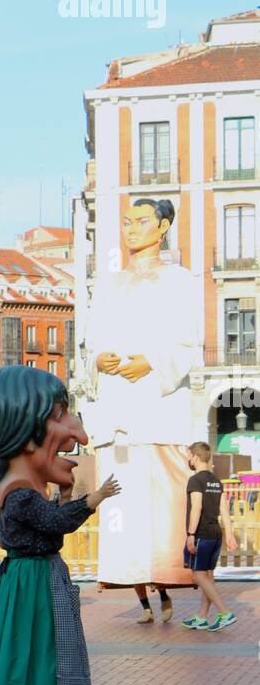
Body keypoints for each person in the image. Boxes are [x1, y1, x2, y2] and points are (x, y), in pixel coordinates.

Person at [0, 365, 120, 685]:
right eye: (58, 415)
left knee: (41, 653)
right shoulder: (20, 494)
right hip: (31, 579)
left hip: (34, 576)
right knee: (38, 652)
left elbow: (52, 525)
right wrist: (93, 498)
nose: (80, 435)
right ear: (22, 432)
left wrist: (70, 494)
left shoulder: (21, 493)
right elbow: (55, 523)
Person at [78, 197, 202, 619]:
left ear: (163, 226)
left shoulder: (180, 280)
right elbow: (91, 344)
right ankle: (131, 574)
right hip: (118, 412)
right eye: (127, 221)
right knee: (123, 498)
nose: (131, 228)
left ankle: (170, 574)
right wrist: (99, 361)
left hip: (159, 408)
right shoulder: (109, 284)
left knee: (165, 498)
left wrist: (151, 361)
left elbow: (188, 342)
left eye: (142, 221)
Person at [181, 441, 238, 631]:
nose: (188, 460)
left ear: (195, 457)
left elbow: (196, 508)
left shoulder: (195, 480)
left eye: (189, 456)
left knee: (199, 576)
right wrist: (229, 535)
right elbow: (224, 510)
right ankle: (202, 617)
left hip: (202, 534)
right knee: (208, 576)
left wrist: (190, 534)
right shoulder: (216, 481)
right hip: (216, 534)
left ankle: (225, 612)